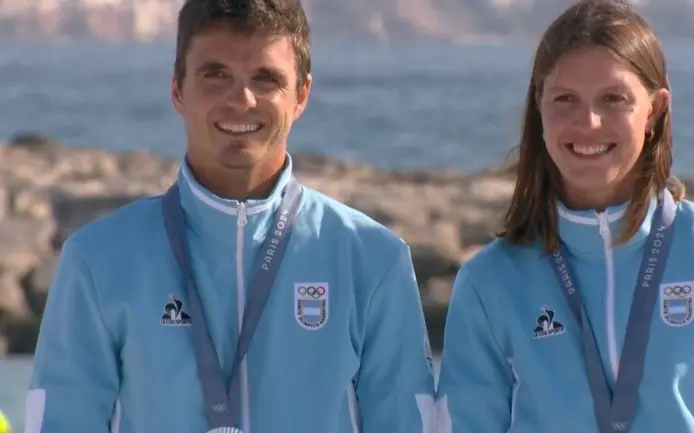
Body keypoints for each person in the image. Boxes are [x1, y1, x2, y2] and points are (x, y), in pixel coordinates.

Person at [25, 0, 435, 432]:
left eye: (266, 79)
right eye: (216, 75)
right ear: (178, 90)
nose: (241, 99)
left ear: (302, 96)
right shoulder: (97, 261)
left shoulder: (372, 260)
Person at [436, 1, 694, 432]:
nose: (588, 122)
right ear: (539, 107)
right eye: (565, 99)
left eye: (613, 99)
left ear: (654, 110)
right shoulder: (489, 282)